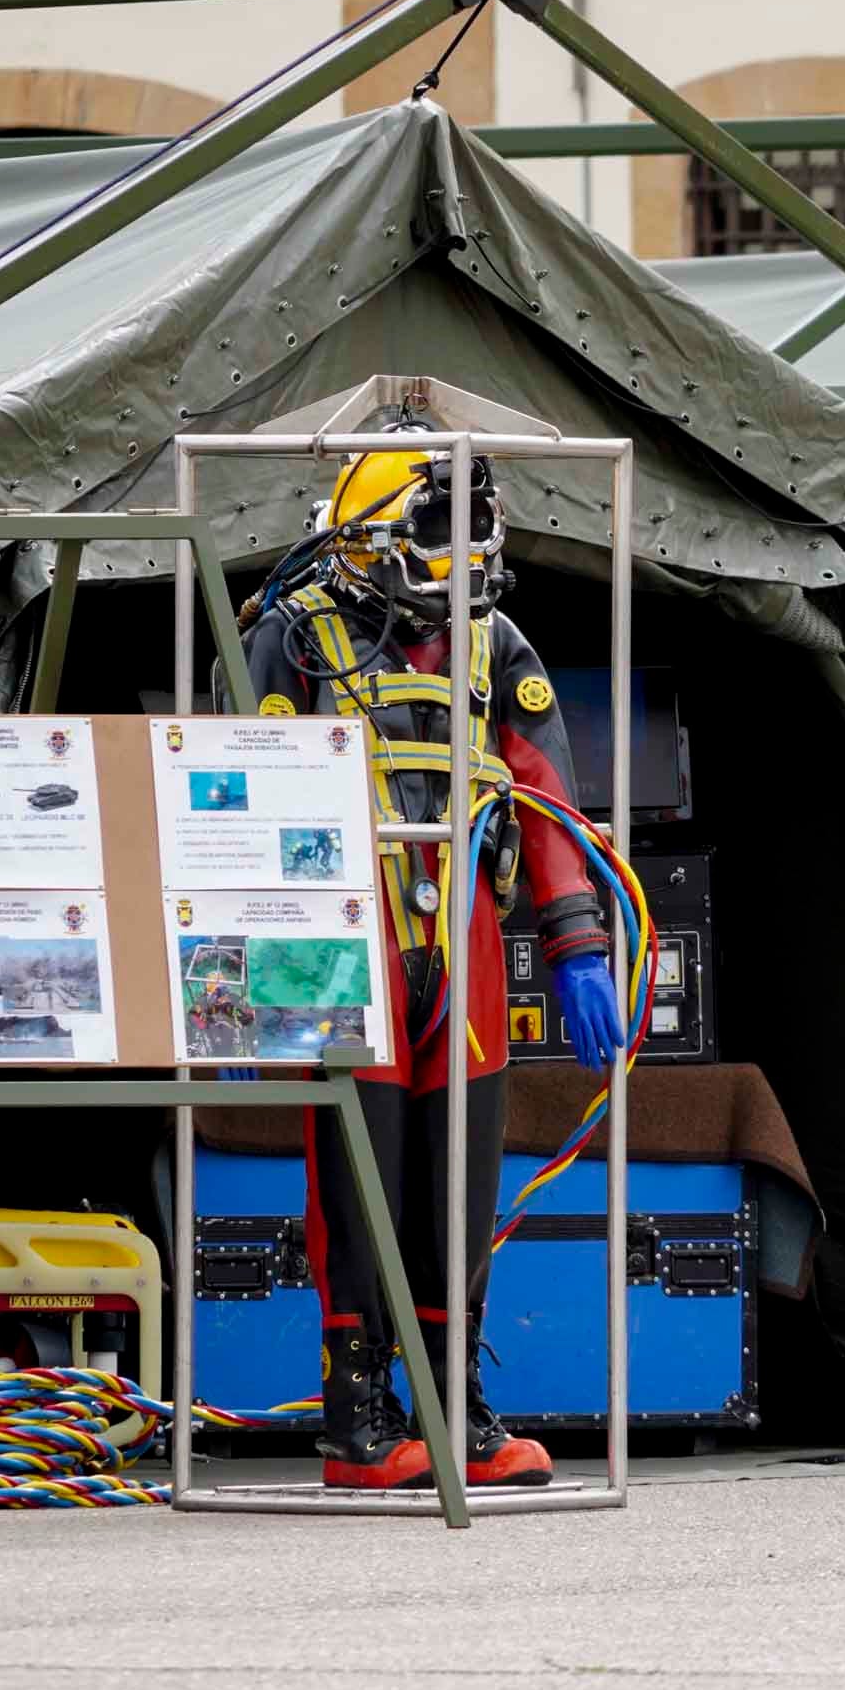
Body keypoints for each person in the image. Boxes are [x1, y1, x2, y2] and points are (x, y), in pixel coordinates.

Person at [243, 447, 624, 1491]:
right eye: (436, 545)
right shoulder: (292, 634)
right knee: (363, 1182)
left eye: (473, 548)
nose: (459, 569)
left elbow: (546, 800)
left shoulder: (495, 645)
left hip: (468, 944)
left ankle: (453, 1406)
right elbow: (237, 796)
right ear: (374, 540)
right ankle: (359, 1421)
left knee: (459, 1177)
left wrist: (580, 945)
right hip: (336, 940)